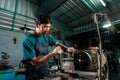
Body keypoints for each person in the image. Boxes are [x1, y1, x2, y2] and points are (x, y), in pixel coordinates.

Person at [22, 15, 76, 80]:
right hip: (33, 75)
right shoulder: (28, 40)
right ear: (36, 25)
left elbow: (57, 43)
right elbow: (35, 62)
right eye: (45, 27)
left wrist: (66, 48)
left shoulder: (46, 36)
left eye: (49, 27)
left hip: (45, 72)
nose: (47, 30)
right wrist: (53, 53)